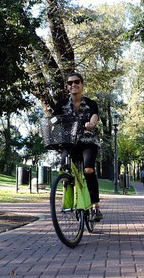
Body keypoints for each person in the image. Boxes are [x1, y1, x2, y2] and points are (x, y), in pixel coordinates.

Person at [52, 72, 103, 221]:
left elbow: (94, 115)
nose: (73, 85)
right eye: (70, 83)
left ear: (82, 84)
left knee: (88, 169)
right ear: (67, 86)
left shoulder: (90, 102)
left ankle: (95, 207)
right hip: (70, 142)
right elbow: (54, 118)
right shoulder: (62, 104)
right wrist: (55, 124)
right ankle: (70, 202)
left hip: (88, 142)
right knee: (64, 167)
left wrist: (91, 124)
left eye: (76, 82)